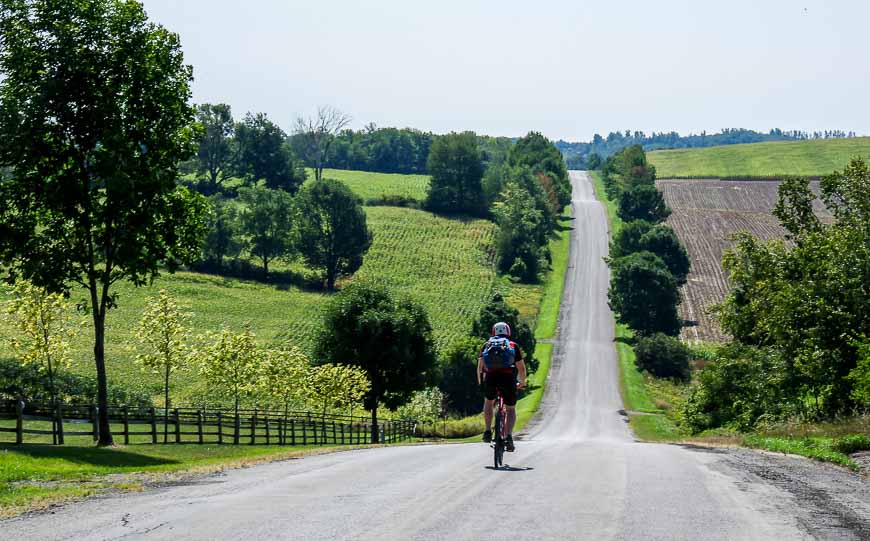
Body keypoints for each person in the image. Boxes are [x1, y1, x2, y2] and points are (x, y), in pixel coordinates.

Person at [478, 321, 526, 452]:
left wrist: (482, 381)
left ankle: (487, 431)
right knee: (510, 409)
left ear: (493, 332)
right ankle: (509, 436)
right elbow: (521, 369)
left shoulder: (486, 345)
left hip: (491, 377)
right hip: (508, 378)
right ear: (508, 332)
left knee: (488, 402)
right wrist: (522, 382)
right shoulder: (512, 345)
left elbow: (480, 367)